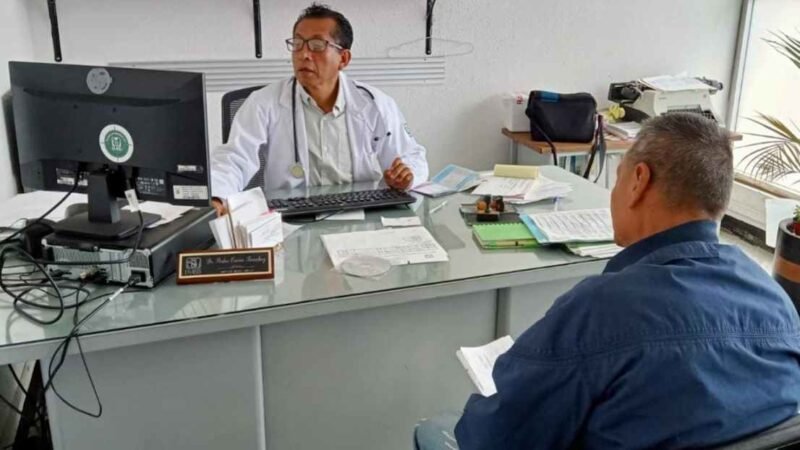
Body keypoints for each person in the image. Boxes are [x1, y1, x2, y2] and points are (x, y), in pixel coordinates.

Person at [415, 113, 800, 449]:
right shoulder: (775, 301)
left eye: (617, 179)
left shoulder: (599, 311)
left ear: (638, 181)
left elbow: (494, 439)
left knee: (436, 431)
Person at [210, 3, 428, 214]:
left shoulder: (375, 104)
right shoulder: (263, 102)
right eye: (297, 44)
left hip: (362, 212)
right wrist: (217, 196)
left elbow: (411, 156)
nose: (303, 54)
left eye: (316, 45)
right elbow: (234, 158)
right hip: (292, 217)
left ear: (343, 58)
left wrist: (406, 176)